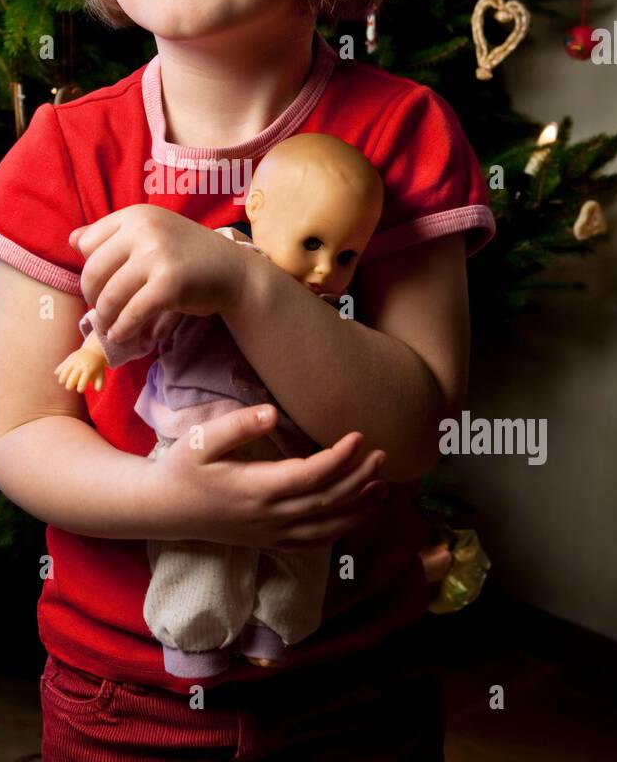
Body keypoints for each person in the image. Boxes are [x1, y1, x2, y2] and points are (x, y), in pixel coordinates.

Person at [0, 0, 496, 762]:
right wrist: (169, 497)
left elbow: (408, 429)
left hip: (349, 687)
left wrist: (242, 278)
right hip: (119, 695)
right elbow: (18, 434)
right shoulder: (63, 155)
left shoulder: (402, 131)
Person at [54, 134, 385, 679]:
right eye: (312, 243)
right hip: (196, 437)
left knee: (300, 545)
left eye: (346, 255)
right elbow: (143, 311)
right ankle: (194, 641)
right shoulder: (210, 259)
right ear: (257, 206)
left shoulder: (322, 306)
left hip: (288, 445)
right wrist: (97, 348)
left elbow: (349, 370)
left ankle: (274, 628)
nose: (326, 269)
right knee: (196, 548)